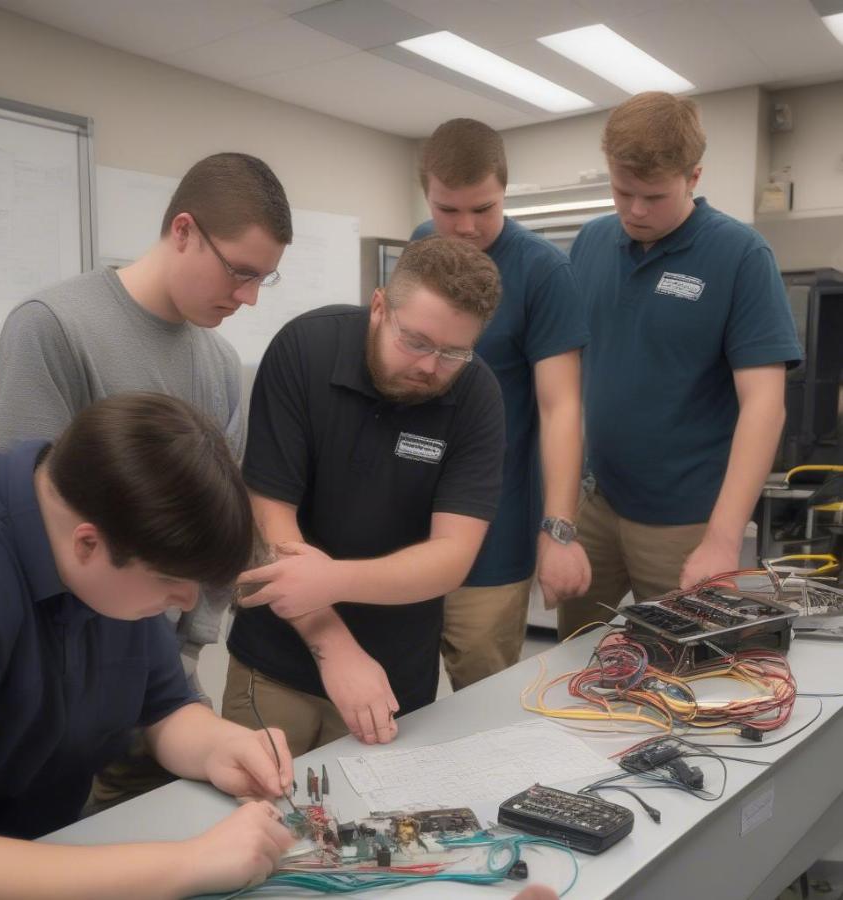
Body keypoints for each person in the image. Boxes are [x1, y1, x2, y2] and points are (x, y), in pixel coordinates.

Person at [0, 151, 291, 802]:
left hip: (161, 676)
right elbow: (31, 537)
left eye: (264, 279)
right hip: (62, 679)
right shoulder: (54, 327)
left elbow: (215, 531)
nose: (246, 297)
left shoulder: (218, 363)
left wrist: (185, 653)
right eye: (239, 271)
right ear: (183, 230)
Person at [0, 393, 294, 898]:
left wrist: (221, 746)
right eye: (171, 580)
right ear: (88, 544)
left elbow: (165, 707)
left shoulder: (111, 518)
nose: (187, 600)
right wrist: (188, 863)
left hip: (55, 842)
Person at [224, 236, 506, 757]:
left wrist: (333, 579)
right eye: (416, 342)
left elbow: (451, 557)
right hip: (278, 659)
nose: (430, 367)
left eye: (453, 353)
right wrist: (334, 649)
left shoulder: (477, 396)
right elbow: (270, 520)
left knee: (372, 830)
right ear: (379, 307)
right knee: (258, 814)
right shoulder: (304, 350)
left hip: (394, 677)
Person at [561, 92, 802, 639]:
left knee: (690, 670)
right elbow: (567, 376)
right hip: (598, 504)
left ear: (694, 176)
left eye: (655, 196)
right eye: (623, 192)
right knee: (574, 656)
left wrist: (722, 539)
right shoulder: (593, 242)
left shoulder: (741, 256)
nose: (636, 211)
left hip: (685, 521)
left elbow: (765, 406)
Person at [411, 118, 591, 689]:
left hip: (494, 527)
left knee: (481, 695)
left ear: (505, 190)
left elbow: (561, 408)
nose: (464, 228)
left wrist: (557, 530)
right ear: (426, 196)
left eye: (482, 209)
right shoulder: (420, 248)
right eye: (448, 210)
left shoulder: (542, 270)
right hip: (407, 525)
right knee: (397, 698)